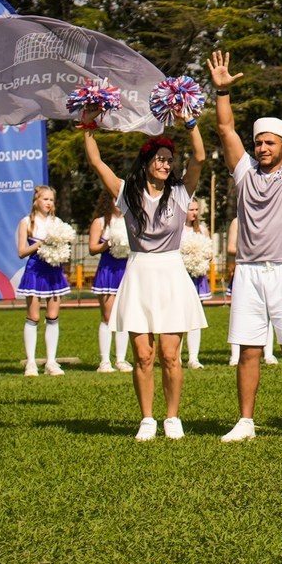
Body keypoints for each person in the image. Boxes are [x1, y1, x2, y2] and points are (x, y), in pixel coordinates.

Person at [207, 48, 282, 442]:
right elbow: (225, 131)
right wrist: (221, 92)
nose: (262, 148)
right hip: (250, 272)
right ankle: (245, 421)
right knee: (248, 349)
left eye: (270, 143)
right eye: (259, 143)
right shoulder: (244, 173)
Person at [81, 122, 208, 440]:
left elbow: (201, 159)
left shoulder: (180, 194)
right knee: (142, 354)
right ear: (147, 162)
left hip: (170, 275)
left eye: (169, 160)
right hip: (138, 274)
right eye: (160, 158)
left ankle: (172, 417)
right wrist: (88, 125)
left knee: (169, 354)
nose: (166, 164)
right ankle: (147, 419)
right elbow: (96, 162)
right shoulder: (127, 193)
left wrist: (190, 124)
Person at [13, 184, 72, 375]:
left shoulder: (58, 223)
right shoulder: (26, 222)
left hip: (54, 271)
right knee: (34, 316)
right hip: (35, 271)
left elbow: (64, 249)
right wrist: (41, 243)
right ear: (36, 201)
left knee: (53, 316)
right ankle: (31, 362)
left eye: (51, 200)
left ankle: (51, 362)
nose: (49, 203)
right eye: (45, 199)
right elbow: (22, 251)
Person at [88, 205, 127, 371]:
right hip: (107, 270)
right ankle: (104, 361)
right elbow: (92, 248)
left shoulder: (131, 220)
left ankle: (121, 360)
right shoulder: (100, 222)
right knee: (107, 316)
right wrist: (108, 244)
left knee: (124, 317)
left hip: (126, 270)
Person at [181, 197, 216, 366]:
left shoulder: (202, 229)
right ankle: (176, 356)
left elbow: (209, 252)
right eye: (190, 209)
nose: (194, 213)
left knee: (196, 316)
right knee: (179, 316)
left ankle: (193, 358)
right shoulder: (178, 230)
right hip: (181, 276)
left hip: (197, 276)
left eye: (196, 209)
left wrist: (205, 258)